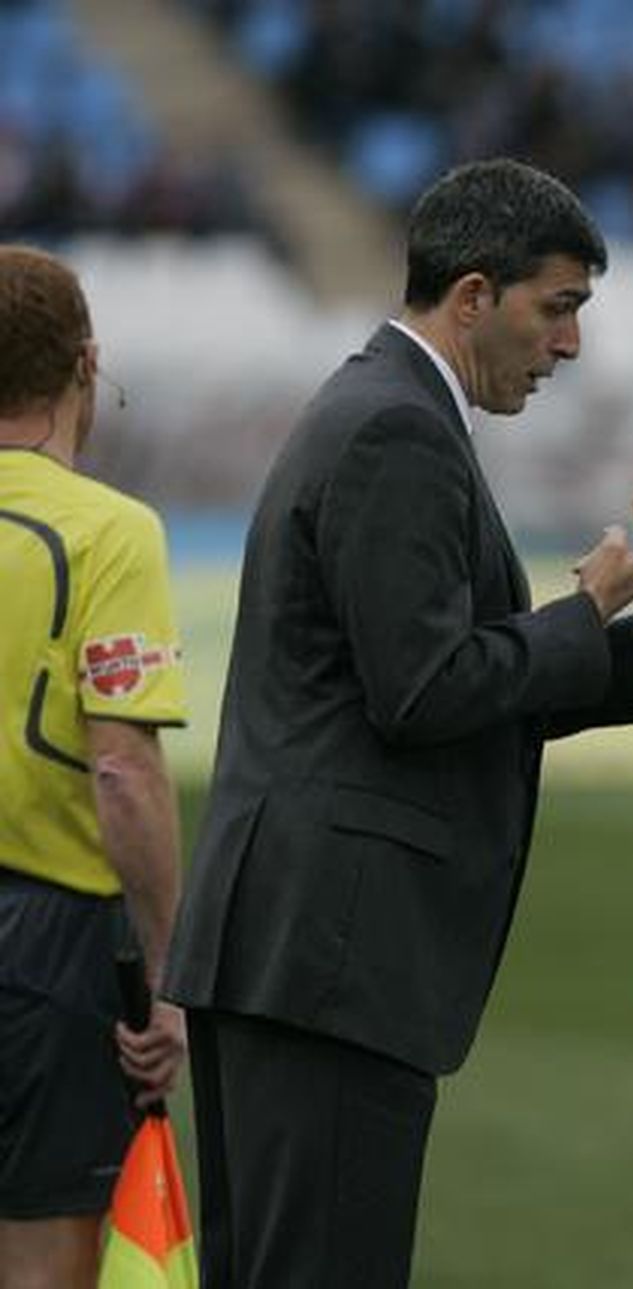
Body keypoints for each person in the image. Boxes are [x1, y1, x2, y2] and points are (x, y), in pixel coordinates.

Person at [163, 158, 633, 1288]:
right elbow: (424, 689)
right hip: (334, 955)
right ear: (474, 294)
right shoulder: (396, 428)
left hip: (295, 948)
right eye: (559, 307)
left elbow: (430, 677)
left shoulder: (383, 408)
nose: (571, 345)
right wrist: (587, 613)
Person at [0, 245, 188, 1288]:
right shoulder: (108, 532)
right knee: (43, 1258)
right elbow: (122, 769)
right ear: (87, 362)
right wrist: (168, 974)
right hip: (44, 943)